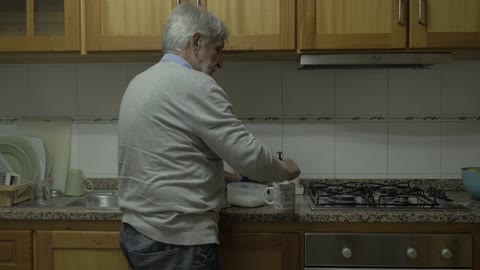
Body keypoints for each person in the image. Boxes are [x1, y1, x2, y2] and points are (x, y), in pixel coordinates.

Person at [117, 3, 301, 270]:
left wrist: (229, 177)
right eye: (218, 50)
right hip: (178, 241)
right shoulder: (196, 85)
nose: (221, 62)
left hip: (137, 235)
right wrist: (284, 170)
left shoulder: (139, 83)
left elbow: (164, 158)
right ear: (196, 42)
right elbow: (247, 155)